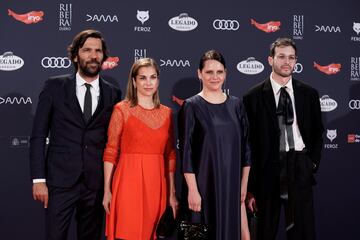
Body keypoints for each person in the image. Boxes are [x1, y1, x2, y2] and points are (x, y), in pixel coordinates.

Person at [30, 29, 122, 240]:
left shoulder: (112, 93)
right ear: (75, 55)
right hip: (60, 182)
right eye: (87, 50)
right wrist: (38, 179)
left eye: (98, 51)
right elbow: (37, 135)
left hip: (95, 183)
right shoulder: (54, 86)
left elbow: (113, 140)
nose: (93, 56)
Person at [243, 37, 324, 240]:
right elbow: (248, 142)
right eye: (281, 57)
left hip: (299, 166)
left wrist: (311, 163)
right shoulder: (252, 97)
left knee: (302, 232)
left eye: (291, 57)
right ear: (270, 60)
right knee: (264, 231)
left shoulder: (309, 94)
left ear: (296, 61)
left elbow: (317, 132)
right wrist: (251, 186)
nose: (287, 62)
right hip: (267, 170)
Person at [178, 50, 251, 240]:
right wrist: (193, 191)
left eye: (219, 72)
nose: (215, 77)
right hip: (203, 186)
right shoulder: (191, 106)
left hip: (232, 186)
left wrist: (243, 185)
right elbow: (186, 152)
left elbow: (246, 150)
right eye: (209, 72)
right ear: (199, 74)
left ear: (226, 74)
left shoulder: (237, 105)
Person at [102, 58, 178, 240]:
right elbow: (110, 151)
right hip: (127, 180)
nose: (148, 83)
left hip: (157, 183)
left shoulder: (167, 113)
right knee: (128, 232)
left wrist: (172, 192)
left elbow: (170, 155)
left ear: (158, 80)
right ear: (134, 81)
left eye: (153, 77)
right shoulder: (122, 110)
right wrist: (107, 190)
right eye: (143, 78)